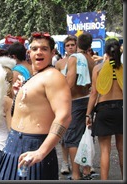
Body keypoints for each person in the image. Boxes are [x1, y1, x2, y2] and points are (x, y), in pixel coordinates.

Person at [0, 31, 72, 180]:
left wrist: (41, 152)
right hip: (14, 147)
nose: (39, 52)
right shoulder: (36, 76)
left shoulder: (53, 76)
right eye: (35, 49)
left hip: (34, 148)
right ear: (29, 52)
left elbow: (64, 116)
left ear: (52, 52)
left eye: (44, 49)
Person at [85, 38, 123, 180]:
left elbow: (94, 93)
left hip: (104, 110)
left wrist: (88, 114)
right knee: (121, 149)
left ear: (106, 52)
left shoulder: (98, 68)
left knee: (105, 151)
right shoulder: (123, 67)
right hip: (121, 109)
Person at [63, 32, 95, 180]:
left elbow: (69, 83)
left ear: (77, 44)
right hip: (88, 101)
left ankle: (76, 175)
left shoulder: (74, 58)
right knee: (85, 137)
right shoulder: (91, 60)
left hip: (75, 101)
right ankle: (86, 170)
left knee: (73, 140)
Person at [55, 35, 77, 175]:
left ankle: (84, 164)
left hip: (79, 101)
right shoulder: (60, 63)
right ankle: (65, 162)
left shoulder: (83, 61)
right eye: (68, 45)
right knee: (64, 134)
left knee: (78, 135)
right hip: (63, 102)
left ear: (76, 46)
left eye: (72, 45)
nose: (70, 47)